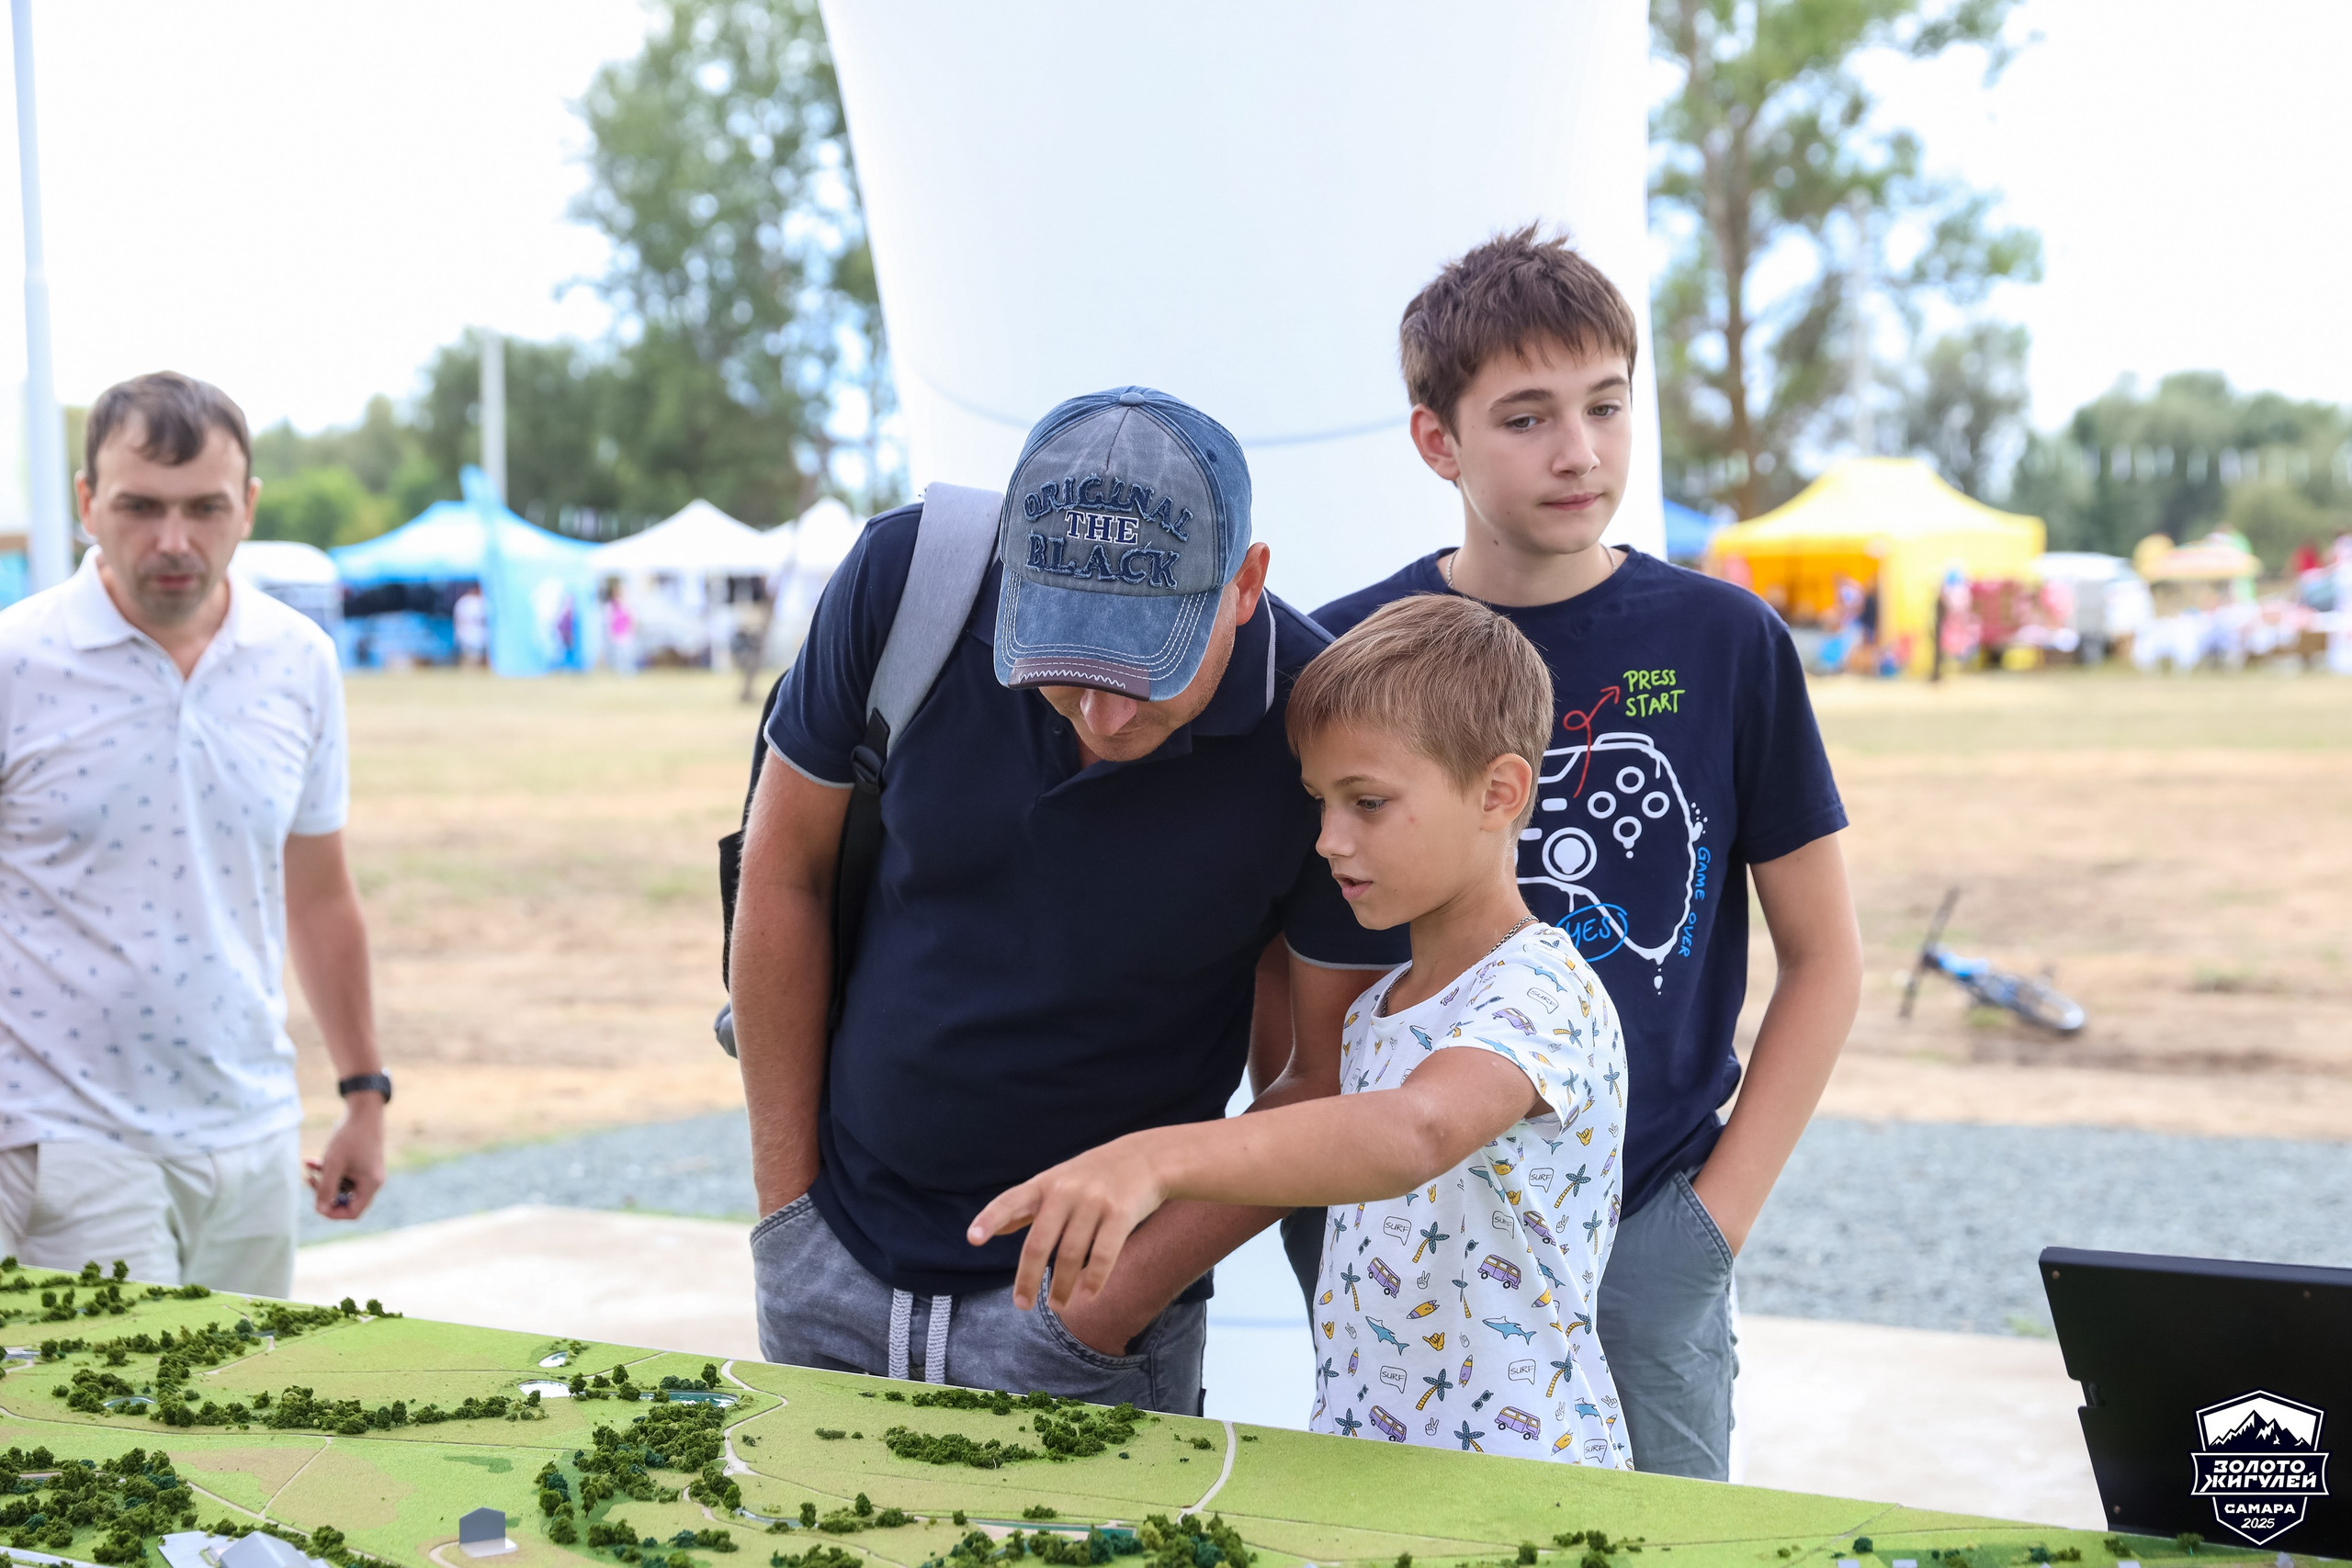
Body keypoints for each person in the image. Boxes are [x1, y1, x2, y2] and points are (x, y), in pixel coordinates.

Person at [1311, 229, 1862, 1480]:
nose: (1581, 450)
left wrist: (1707, 1229)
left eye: (1607, 405)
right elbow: (1308, 962)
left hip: (1648, 1232)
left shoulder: (1725, 639)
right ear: (1436, 441)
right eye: (1526, 416)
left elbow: (1826, 956)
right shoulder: (1350, 650)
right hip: (1417, 1229)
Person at [732, 387, 1404, 1411]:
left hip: (1089, 1319)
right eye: (1060, 663)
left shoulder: (1318, 723)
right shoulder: (911, 580)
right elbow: (784, 876)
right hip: (833, 1261)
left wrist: (1115, 1298)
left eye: (1142, 669)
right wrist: (786, 1214)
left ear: (1244, 583)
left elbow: (1322, 1080)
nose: (1098, 715)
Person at [971, 594, 1632, 1466]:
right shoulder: (1373, 1011)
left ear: (1499, 792)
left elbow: (1417, 1128)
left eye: (1366, 801)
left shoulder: (1543, 989)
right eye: (1319, 801)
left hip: (1526, 1491)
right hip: (1367, 1476)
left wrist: (1151, 1159)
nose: (1326, 839)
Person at [0, 372, 389, 1293]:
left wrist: (364, 1095)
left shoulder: (299, 661)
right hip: (66, 1138)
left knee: (238, 1428)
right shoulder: (16, 663)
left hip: (250, 1136)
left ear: (247, 507)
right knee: (106, 1429)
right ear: (88, 503)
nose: (173, 541)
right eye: (139, 506)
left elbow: (321, 894)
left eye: (204, 508)